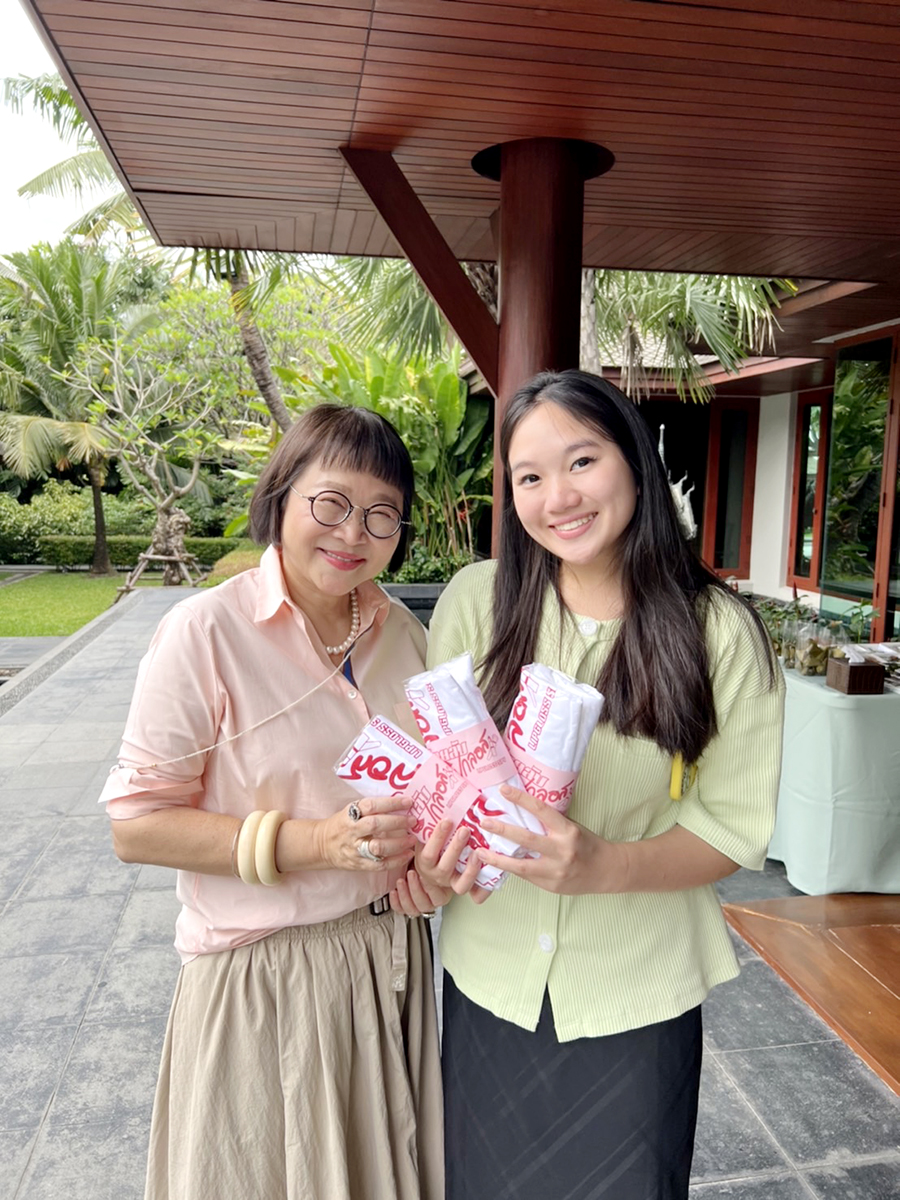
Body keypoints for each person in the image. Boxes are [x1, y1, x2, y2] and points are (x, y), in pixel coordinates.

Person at [411, 370, 785, 1200]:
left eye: (582, 461)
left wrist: (603, 867)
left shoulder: (719, 631)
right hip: (492, 982)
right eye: (530, 477)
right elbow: (446, 777)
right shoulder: (479, 600)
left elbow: (729, 827)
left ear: (635, 461)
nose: (559, 497)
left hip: (636, 993)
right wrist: (434, 858)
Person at [100, 404, 448, 1200]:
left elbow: (425, 795)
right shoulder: (206, 632)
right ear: (283, 496)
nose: (353, 532)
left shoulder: (402, 635)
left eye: (381, 514)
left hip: (390, 962)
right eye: (331, 502)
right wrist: (316, 843)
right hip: (267, 980)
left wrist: (430, 869)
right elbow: (135, 825)